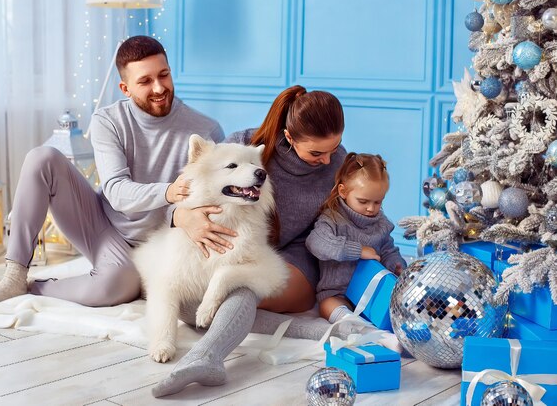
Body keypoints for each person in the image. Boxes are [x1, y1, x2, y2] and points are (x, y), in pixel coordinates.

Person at [0, 35, 225, 307]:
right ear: (125, 88)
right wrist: (169, 192)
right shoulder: (108, 120)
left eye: (164, 75)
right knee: (42, 158)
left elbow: (211, 201)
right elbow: (116, 192)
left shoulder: (206, 130)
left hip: (162, 242)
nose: (159, 88)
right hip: (104, 226)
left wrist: (181, 213)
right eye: (145, 81)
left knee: (116, 286)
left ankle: (30, 288)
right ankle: (14, 277)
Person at [151, 85, 352, 397]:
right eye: (316, 152)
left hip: (298, 256)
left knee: (240, 287)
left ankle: (206, 357)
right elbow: (188, 189)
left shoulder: (338, 163)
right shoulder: (244, 145)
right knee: (196, 299)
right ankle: (311, 331)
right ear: (288, 136)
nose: (328, 160)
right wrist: (180, 216)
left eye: (334, 148)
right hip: (242, 245)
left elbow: (362, 214)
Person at [305, 153, 406, 334]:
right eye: (363, 201)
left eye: (378, 202)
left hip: (370, 291)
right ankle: (348, 321)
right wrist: (357, 251)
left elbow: (389, 250)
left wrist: (396, 264)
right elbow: (316, 243)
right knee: (327, 305)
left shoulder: (381, 224)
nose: (371, 208)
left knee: (390, 305)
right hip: (337, 291)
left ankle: (386, 324)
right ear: (343, 192)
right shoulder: (333, 218)